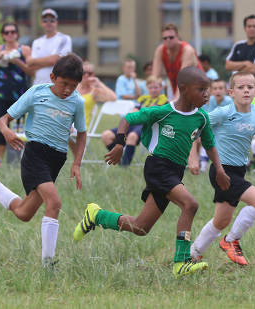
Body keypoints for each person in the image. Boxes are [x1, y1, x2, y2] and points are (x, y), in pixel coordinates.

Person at [73, 67, 231, 277]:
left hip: (175, 172)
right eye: (201, 89)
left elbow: (210, 144)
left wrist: (219, 169)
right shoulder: (163, 111)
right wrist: (119, 144)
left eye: (207, 89)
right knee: (190, 204)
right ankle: (182, 261)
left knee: (141, 227)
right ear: (183, 89)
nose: (206, 94)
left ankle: (96, 215)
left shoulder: (201, 117)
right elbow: (127, 118)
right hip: (158, 167)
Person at [0, 54, 86, 266]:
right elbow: (3, 119)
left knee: (24, 213)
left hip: (57, 158)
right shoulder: (36, 93)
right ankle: (48, 265)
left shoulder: (77, 102)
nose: (68, 90)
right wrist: (7, 132)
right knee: (54, 203)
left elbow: (82, 134)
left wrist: (76, 163)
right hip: (35, 154)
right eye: (64, 84)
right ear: (52, 77)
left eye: (73, 86)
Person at [188, 71, 255, 266]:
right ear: (231, 92)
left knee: (220, 221)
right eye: (241, 87)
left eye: (250, 87)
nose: (246, 90)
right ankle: (230, 241)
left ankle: (192, 254)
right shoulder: (223, 113)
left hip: (238, 170)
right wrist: (193, 156)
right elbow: (194, 128)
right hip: (221, 171)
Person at [0, 22, 33, 168]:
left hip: (20, 93)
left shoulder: (24, 49)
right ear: (2, 35)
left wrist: (17, 61)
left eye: (13, 31)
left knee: (20, 127)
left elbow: (31, 72)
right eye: (6, 32)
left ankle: (20, 159)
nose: (10, 35)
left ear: (17, 34)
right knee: (2, 124)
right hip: (2, 93)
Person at [101, 76, 168, 166]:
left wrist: (142, 112)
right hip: (133, 125)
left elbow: (152, 116)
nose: (153, 90)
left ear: (161, 88)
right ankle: (118, 159)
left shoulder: (164, 101)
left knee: (132, 136)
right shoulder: (143, 99)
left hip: (147, 127)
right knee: (106, 135)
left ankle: (124, 166)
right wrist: (144, 111)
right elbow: (133, 112)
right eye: (151, 87)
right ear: (147, 88)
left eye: (156, 87)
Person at [69, 61, 116, 156]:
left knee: (63, 128)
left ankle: (77, 158)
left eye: (89, 73)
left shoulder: (94, 92)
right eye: (83, 72)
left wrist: (99, 83)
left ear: (93, 75)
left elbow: (113, 98)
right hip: (67, 121)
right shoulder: (72, 88)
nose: (86, 75)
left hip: (80, 126)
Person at [152, 23, 204, 99]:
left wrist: (176, 101)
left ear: (178, 37)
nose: (168, 40)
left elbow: (183, 80)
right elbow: (154, 78)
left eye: (171, 37)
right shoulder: (160, 50)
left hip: (199, 91)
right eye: (165, 38)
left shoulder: (187, 50)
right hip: (181, 92)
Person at [28, 8, 72, 85]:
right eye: (45, 20)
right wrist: (50, 60)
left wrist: (34, 61)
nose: (48, 23)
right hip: (38, 86)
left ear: (56, 22)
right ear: (41, 23)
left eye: (52, 20)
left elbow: (56, 61)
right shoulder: (36, 42)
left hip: (57, 87)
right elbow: (31, 67)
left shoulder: (64, 39)